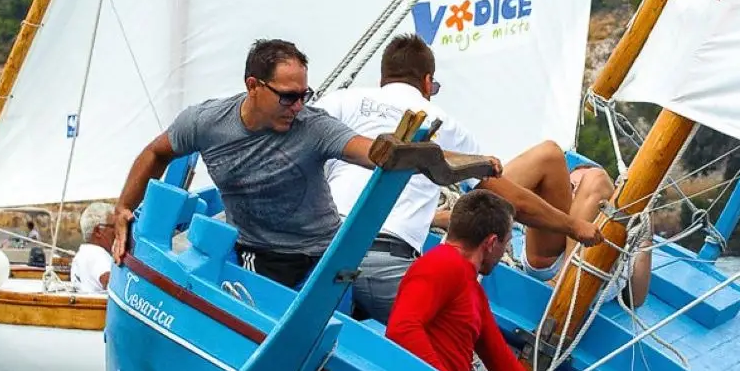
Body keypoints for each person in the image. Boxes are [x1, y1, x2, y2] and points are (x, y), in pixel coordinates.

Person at [315, 34, 601, 322]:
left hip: (319, 247)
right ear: (428, 82)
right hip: (386, 261)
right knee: (461, 334)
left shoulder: (338, 102)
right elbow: (510, 202)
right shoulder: (445, 125)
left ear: (383, 78)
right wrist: (574, 226)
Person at [117, 39, 416, 288]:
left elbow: (368, 151)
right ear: (253, 86)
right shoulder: (204, 123)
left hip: (327, 255)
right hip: (261, 254)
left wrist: (404, 151)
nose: (298, 106)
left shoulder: (314, 127)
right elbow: (155, 153)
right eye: (288, 97)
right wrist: (123, 208)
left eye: (304, 95)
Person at [387, 190, 595, 371]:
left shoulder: (473, 291)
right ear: (491, 242)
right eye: (506, 243)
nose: (504, 251)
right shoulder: (442, 263)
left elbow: (504, 364)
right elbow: (402, 329)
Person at [71, 202, 117, 294]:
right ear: (98, 231)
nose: (118, 231)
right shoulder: (98, 255)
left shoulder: (82, 253)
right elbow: (112, 285)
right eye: (114, 226)